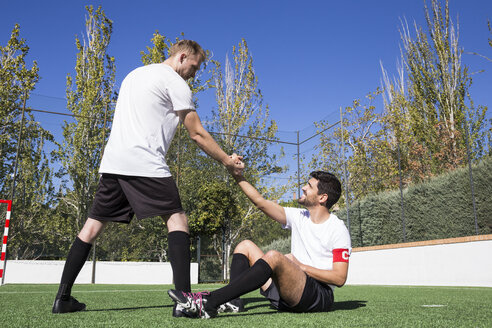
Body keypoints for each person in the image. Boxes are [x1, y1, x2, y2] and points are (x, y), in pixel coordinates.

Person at [52, 40, 244, 316]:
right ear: (181, 57)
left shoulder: (134, 75)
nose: (194, 73)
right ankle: (186, 302)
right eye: (194, 66)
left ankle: (62, 298)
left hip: (113, 162)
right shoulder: (175, 82)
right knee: (177, 219)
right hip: (144, 162)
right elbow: (196, 133)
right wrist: (227, 160)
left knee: (91, 228)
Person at [168, 165, 351, 319]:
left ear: (322, 198)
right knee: (245, 246)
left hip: (317, 296)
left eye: (309, 186)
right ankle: (234, 302)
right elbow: (260, 202)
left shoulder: (337, 229)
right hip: (288, 291)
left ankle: (208, 302)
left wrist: (300, 266)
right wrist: (237, 176)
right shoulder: (299, 216)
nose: (303, 188)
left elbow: (339, 278)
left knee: (275, 257)